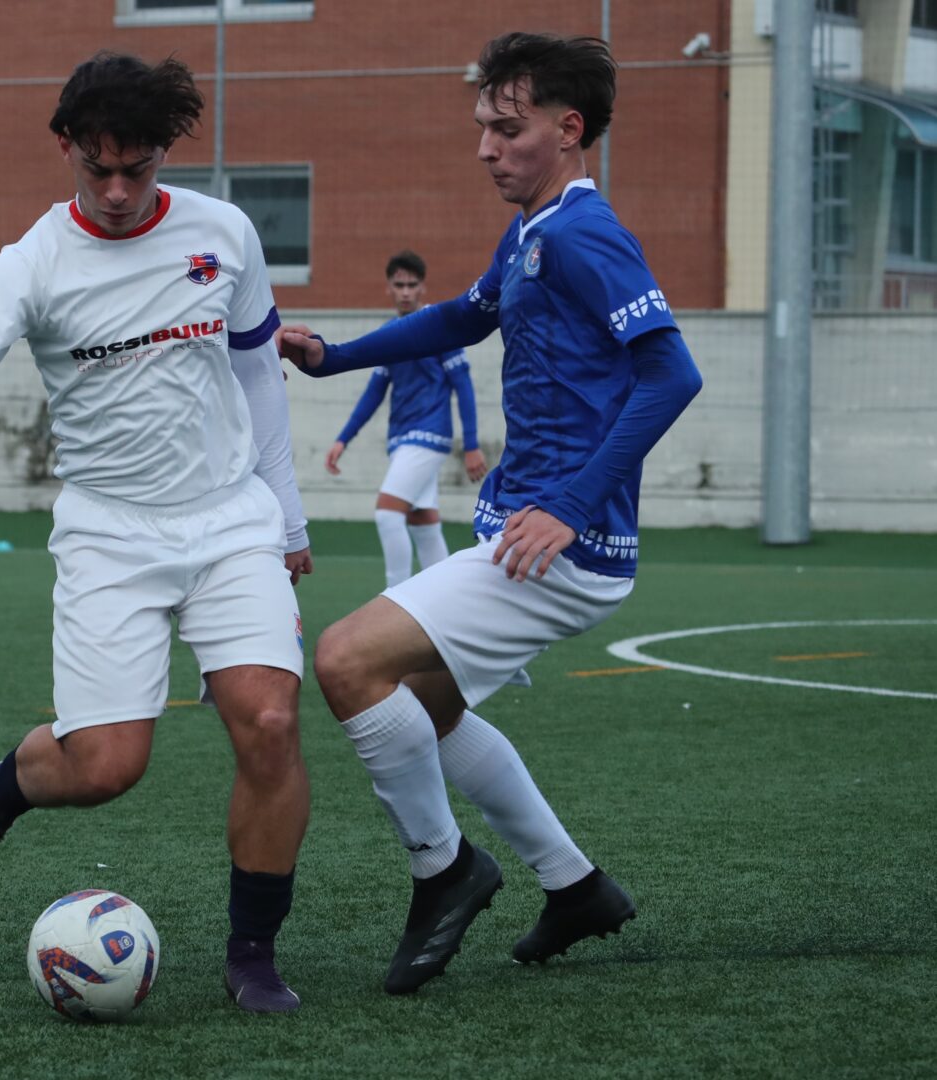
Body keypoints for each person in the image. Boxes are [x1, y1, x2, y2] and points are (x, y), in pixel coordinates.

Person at [0, 52, 313, 1013]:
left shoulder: (224, 233)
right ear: (66, 147)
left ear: (164, 154)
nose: (116, 192)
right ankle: (0, 790)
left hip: (229, 519)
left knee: (271, 723)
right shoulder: (32, 261)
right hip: (109, 535)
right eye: (96, 169)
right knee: (105, 768)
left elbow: (255, 374)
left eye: (137, 170)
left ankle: (253, 952)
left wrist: (285, 516)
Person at [276, 32, 702, 994]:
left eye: (506, 129)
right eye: (481, 126)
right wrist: (337, 357)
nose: (484, 147)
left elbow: (671, 373)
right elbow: (464, 316)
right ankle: (576, 886)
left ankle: (444, 871)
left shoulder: (584, 233)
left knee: (344, 661)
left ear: (568, 129)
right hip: (530, 531)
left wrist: (570, 505)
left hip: (562, 547)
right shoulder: (531, 231)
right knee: (426, 703)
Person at [326, 250, 488, 589]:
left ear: (422, 288)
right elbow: (374, 392)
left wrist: (472, 445)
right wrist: (343, 438)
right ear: (388, 288)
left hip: (428, 437)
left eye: (412, 285)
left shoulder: (439, 327)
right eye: (399, 285)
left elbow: (464, 386)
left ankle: (395, 594)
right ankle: (446, 596)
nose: (405, 292)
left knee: (387, 513)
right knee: (423, 522)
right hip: (400, 440)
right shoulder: (390, 332)